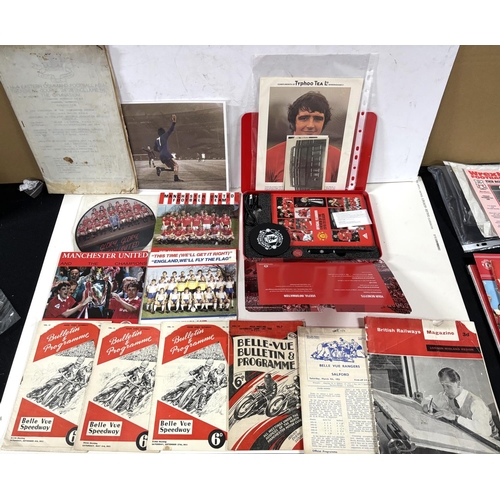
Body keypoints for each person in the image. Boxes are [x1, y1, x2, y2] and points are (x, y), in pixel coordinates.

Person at [265, 91, 340, 184]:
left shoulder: (337, 157)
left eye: (318, 119)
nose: (310, 125)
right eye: (304, 118)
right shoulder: (269, 157)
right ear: (294, 121)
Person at [422, 367, 500, 440]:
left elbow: (485, 431)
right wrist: (427, 405)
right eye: (443, 386)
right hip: (469, 438)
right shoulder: (448, 395)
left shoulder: (476, 403)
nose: (445, 391)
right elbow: (429, 399)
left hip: (491, 443)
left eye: (448, 386)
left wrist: (455, 417)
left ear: (458, 384)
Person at [154, 114, 183, 182]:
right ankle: (176, 179)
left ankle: (161, 169)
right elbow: (170, 130)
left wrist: (160, 151)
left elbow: (155, 148)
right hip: (166, 154)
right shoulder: (164, 136)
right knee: (176, 165)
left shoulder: (156, 140)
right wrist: (174, 122)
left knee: (173, 168)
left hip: (161, 155)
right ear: (163, 132)